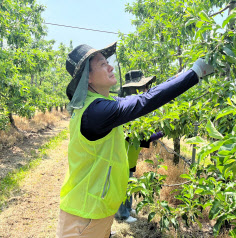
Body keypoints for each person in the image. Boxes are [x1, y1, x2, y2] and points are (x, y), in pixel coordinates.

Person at [56, 42, 214, 238]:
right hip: (84, 216)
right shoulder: (95, 112)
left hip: (95, 211)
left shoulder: (102, 104)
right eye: (103, 64)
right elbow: (144, 100)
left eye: (108, 62)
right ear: (87, 76)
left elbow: (147, 96)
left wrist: (182, 76)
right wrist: (195, 73)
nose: (111, 67)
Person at [114, 70, 164, 223]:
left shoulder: (133, 107)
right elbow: (132, 136)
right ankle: (122, 214)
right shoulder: (126, 108)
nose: (146, 89)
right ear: (133, 89)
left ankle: (127, 208)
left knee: (129, 182)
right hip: (123, 156)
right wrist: (157, 135)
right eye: (143, 87)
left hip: (130, 156)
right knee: (123, 184)